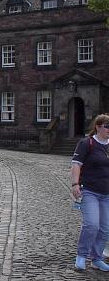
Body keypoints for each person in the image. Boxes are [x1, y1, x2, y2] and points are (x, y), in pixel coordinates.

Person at [72, 113, 109, 271]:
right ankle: (81, 256)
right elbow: (76, 164)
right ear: (98, 127)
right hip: (90, 191)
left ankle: (96, 258)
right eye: (107, 126)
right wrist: (75, 184)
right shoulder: (87, 143)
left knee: (104, 227)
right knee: (91, 225)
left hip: (107, 194)